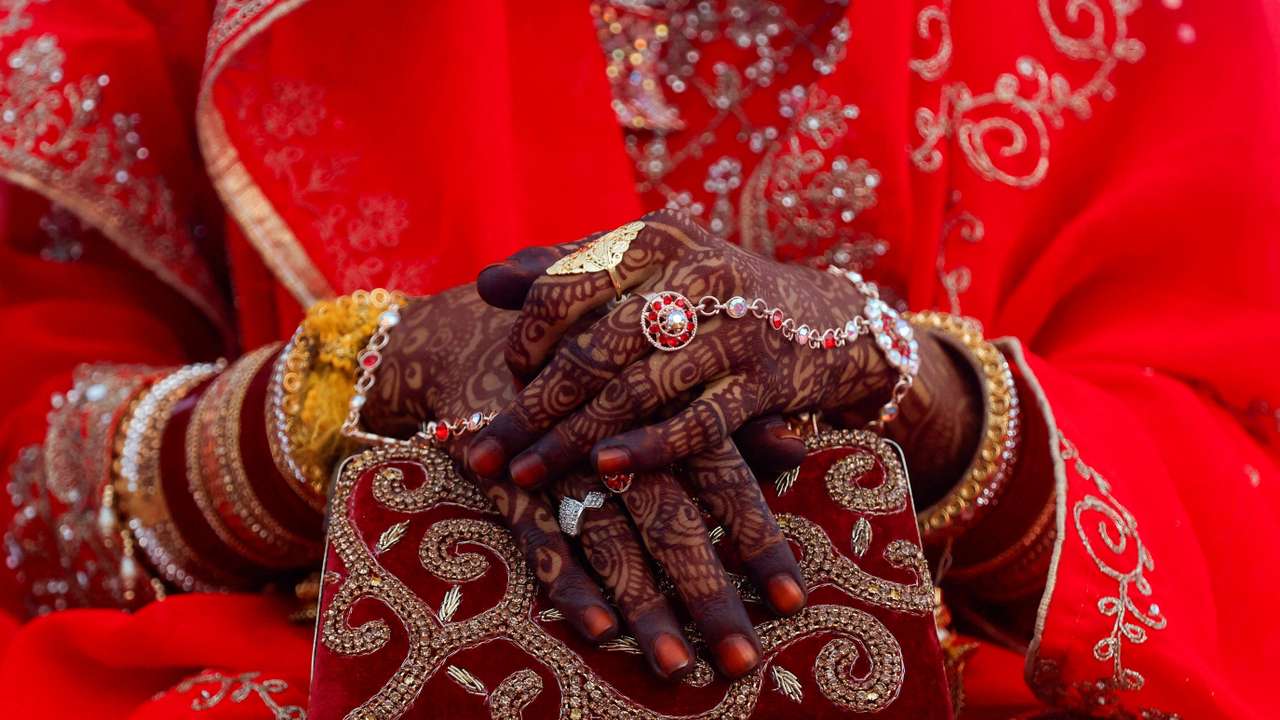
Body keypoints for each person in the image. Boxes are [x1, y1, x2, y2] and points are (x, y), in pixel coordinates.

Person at [0, 0, 1276, 718]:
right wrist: (353, 382)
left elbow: (1239, 473)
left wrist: (907, 387)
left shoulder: (1178, 31)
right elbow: (25, 467)